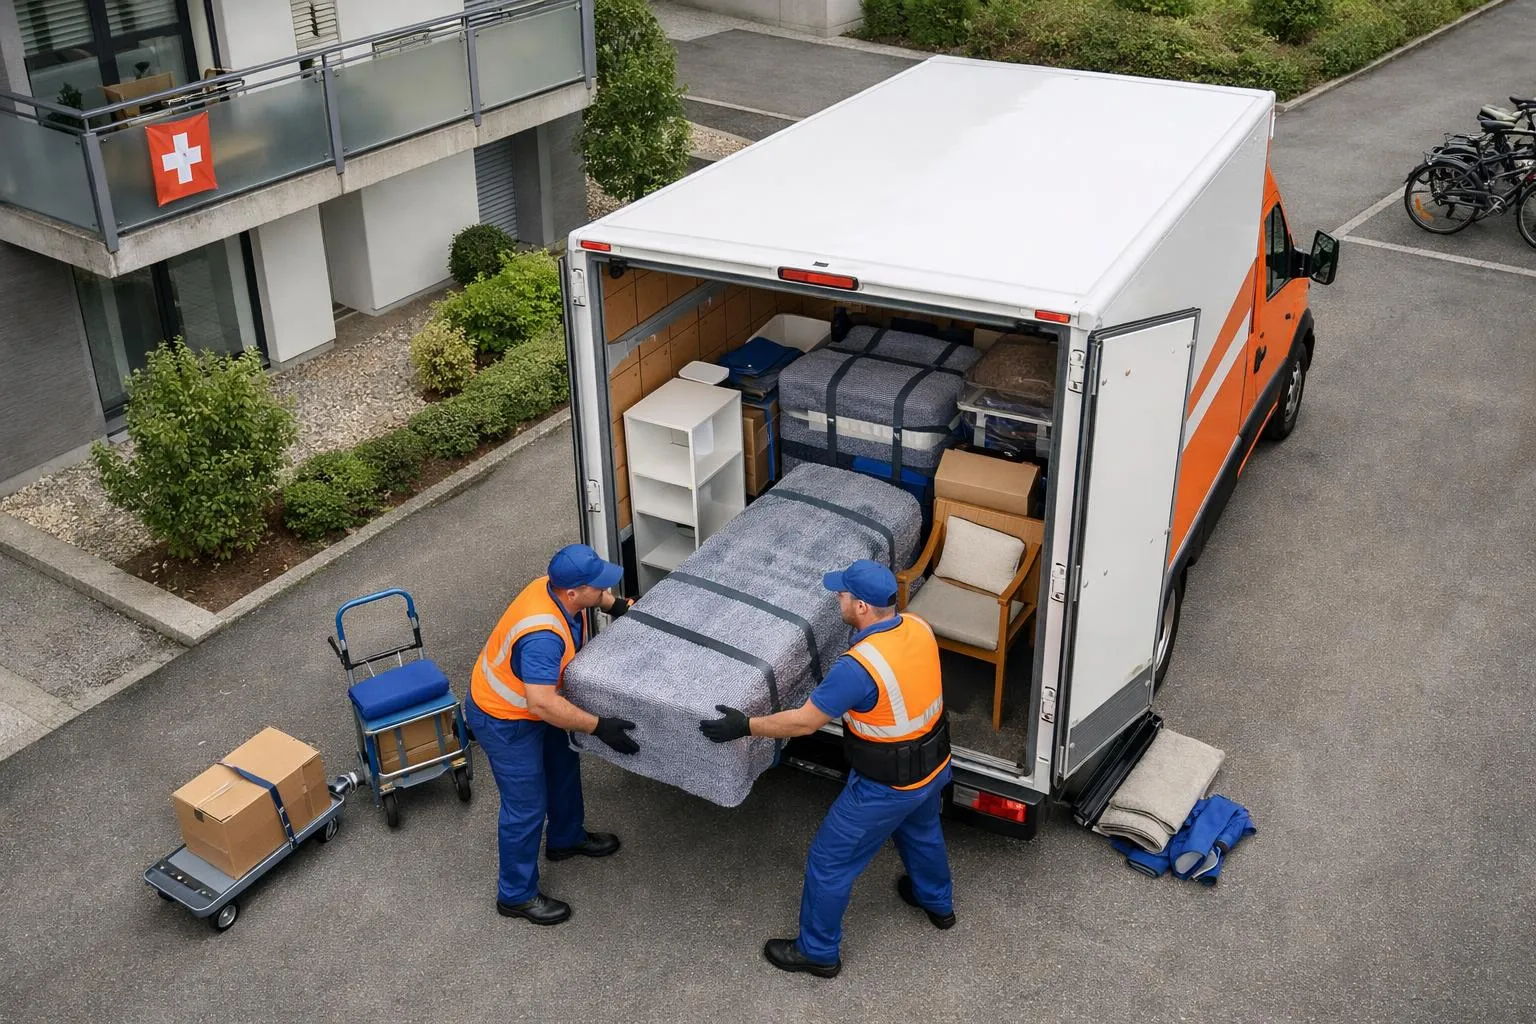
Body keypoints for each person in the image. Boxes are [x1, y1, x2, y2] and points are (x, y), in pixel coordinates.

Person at [699, 559, 955, 977]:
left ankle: (817, 952)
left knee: (829, 861)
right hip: (934, 766)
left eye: (842, 594)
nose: (837, 598)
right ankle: (937, 903)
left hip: (886, 786)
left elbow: (804, 722)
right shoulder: (917, 626)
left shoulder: (859, 667)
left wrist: (744, 725)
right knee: (922, 831)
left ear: (862, 608)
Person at [466, 543, 641, 926]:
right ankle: (516, 895)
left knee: (563, 767)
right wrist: (599, 726)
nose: (603, 590)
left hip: (533, 706)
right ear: (574, 592)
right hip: (505, 718)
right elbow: (541, 703)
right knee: (526, 807)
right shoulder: (543, 635)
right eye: (598, 588)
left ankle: (565, 838)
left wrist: (614, 605)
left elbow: (593, 596)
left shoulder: (553, 587)